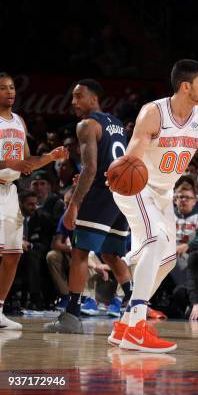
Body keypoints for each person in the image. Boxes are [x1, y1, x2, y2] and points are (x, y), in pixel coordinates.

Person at [109, 59, 198, 352]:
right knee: (155, 240)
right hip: (136, 185)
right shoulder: (153, 112)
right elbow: (132, 159)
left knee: (168, 259)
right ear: (186, 86)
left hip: (163, 193)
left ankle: (124, 324)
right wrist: (120, 173)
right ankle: (136, 325)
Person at [44, 79, 134, 334]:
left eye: (78, 96)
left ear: (93, 98)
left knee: (80, 251)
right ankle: (135, 303)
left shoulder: (86, 125)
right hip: (121, 194)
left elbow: (92, 168)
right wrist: (87, 176)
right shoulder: (116, 123)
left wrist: (73, 204)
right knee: (111, 253)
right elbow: (107, 163)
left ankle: (72, 315)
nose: (73, 102)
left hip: (100, 195)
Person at [0, 72, 68, 330]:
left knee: (13, 255)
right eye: (4, 88)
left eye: (12, 87)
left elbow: (26, 163)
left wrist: (49, 157)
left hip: (9, 192)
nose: (10, 92)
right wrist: (6, 163)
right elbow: (11, 162)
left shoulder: (19, 121)